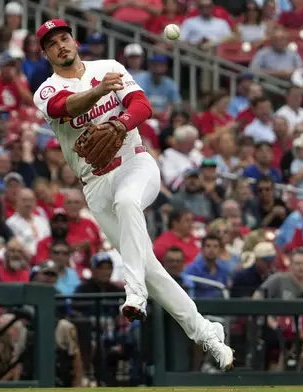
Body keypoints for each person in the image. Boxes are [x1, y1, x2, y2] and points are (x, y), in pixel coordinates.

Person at [32, 19, 234, 370]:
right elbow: (66, 107)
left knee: (128, 203)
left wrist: (121, 123)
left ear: (74, 40)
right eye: (52, 43)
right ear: (46, 53)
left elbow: (142, 105)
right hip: (95, 185)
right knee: (151, 269)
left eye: (65, 38)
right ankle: (207, 333)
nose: (61, 45)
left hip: (135, 165)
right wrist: (99, 93)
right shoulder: (45, 90)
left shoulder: (108, 67)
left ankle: (135, 294)